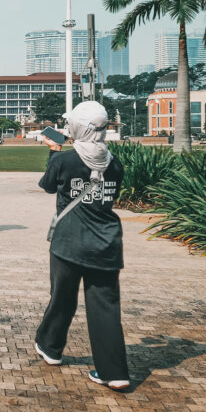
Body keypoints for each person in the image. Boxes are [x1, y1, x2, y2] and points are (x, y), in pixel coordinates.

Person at [34, 101, 129, 391]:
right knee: (105, 307)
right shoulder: (114, 164)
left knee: (62, 297)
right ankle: (114, 372)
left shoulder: (66, 161)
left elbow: (48, 185)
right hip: (106, 243)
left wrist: (54, 151)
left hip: (69, 242)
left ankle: (50, 347)